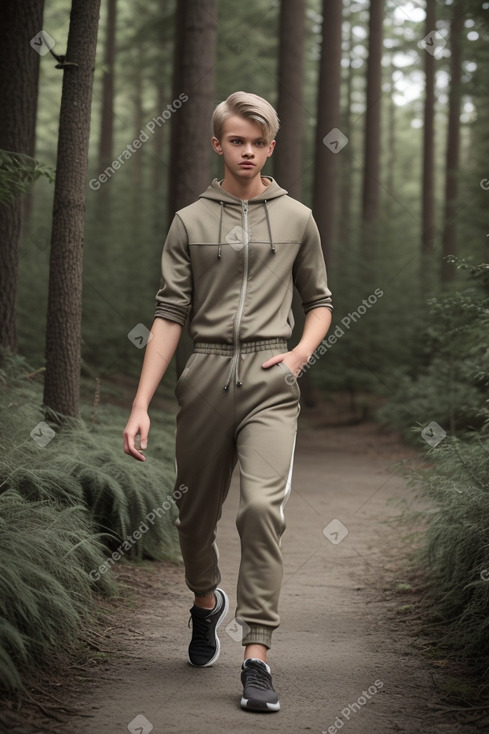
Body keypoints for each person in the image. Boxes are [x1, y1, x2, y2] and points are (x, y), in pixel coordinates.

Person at [123, 91, 333, 712]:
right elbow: (168, 314)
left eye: (258, 142)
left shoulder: (297, 218)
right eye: (236, 140)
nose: (247, 151)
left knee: (261, 509)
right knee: (193, 518)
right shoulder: (190, 221)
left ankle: (256, 655)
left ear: (271, 148)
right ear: (218, 144)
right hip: (205, 371)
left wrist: (297, 356)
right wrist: (141, 404)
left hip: (271, 376)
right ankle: (206, 602)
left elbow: (319, 301)